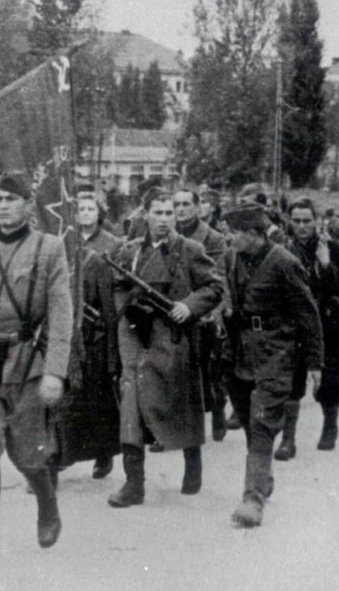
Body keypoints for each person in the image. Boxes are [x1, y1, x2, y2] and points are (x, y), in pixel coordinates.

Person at [0, 172, 72, 573]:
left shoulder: (49, 248)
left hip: (26, 362)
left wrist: (55, 371)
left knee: (27, 454)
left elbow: (61, 313)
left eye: (11, 199)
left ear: (28, 205)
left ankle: (47, 503)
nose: (2, 206)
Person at [106, 190, 224, 508]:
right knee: (131, 404)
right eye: (157, 213)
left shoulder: (190, 250)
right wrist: (129, 308)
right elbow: (117, 287)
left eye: (169, 213)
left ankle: (192, 462)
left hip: (173, 336)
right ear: (145, 214)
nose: (164, 219)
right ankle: (134, 483)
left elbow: (214, 286)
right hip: (135, 336)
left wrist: (189, 306)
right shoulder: (129, 250)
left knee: (180, 401)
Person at [222, 202, 323, 527]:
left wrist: (314, 363)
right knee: (250, 424)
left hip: (276, 354)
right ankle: (262, 477)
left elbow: (308, 315)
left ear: (254, 233)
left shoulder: (284, 263)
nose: (230, 238)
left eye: (235, 233)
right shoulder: (232, 258)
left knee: (263, 423)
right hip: (241, 354)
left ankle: (252, 501)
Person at [55, 191, 122, 480]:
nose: (84, 213)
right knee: (66, 397)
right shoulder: (61, 243)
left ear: (99, 213)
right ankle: (63, 452)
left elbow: (110, 302)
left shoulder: (110, 246)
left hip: (93, 334)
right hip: (66, 332)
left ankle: (104, 453)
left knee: (97, 397)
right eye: (79, 209)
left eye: (89, 208)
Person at [283, 198, 339, 454]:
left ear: (316, 221)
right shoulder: (283, 250)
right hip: (293, 324)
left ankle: (330, 426)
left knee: (330, 379)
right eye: (297, 221)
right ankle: (288, 439)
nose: (302, 226)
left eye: (307, 220)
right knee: (291, 380)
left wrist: (325, 264)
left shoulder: (331, 248)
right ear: (289, 222)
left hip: (326, 323)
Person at [174, 187, 231, 442]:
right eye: (177, 205)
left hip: (205, 311)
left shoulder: (213, 238)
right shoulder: (169, 235)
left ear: (197, 207)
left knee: (211, 369)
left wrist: (216, 314)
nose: (181, 209)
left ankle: (218, 408)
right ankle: (173, 427)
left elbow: (219, 278)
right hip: (175, 308)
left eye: (186, 204)